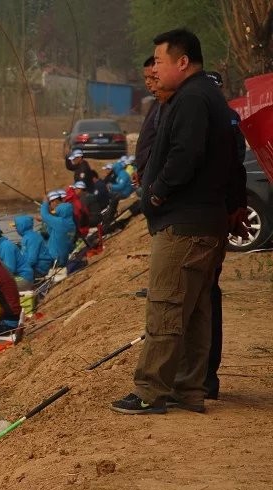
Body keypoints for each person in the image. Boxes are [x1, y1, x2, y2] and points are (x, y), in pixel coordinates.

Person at [111, 28, 235, 415]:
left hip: (184, 224)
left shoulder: (193, 98)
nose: (156, 71)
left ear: (183, 62)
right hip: (204, 221)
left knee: (165, 306)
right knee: (196, 310)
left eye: (160, 62)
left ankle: (150, 391)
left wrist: (155, 193)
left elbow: (184, 155)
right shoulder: (205, 97)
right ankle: (189, 389)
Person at [204, 70, 248, 400]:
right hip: (218, 215)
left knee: (202, 298)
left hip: (205, 219)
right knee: (207, 295)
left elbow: (235, 171)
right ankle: (204, 377)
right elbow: (239, 171)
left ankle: (203, 378)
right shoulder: (230, 120)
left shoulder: (216, 122)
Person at [37, 191, 76, 267]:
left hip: (55, 259)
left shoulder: (60, 222)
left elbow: (44, 215)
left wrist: (45, 202)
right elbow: (51, 229)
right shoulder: (71, 224)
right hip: (63, 258)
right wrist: (48, 216)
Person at [14, 213, 53, 278]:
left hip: (40, 268)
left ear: (22, 226)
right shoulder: (27, 237)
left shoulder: (32, 238)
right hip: (35, 266)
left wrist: (20, 269)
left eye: (17, 226)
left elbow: (32, 260)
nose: (16, 229)